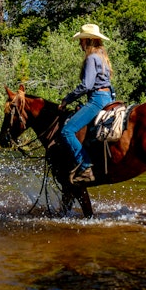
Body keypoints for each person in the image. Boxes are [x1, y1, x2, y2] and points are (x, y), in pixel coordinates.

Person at [58, 24, 114, 184]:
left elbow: (86, 86)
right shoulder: (102, 56)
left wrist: (67, 99)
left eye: (81, 40)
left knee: (67, 131)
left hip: (97, 99)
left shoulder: (91, 58)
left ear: (88, 40)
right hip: (107, 98)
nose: (79, 44)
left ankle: (85, 166)